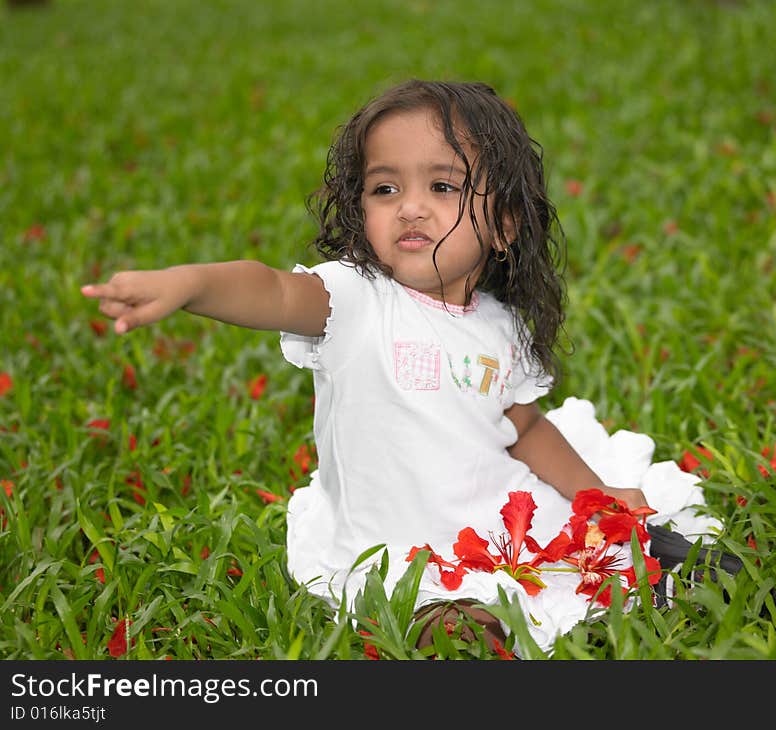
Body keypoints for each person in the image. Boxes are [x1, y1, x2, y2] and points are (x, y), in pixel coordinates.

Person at [82, 79, 724, 656]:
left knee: (601, 548)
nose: (410, 207)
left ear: (502, 224)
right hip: (392, 535)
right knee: (450, 624)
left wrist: (593, 494)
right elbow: (273, 291)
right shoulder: (358, 299)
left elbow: (525, 429)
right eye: (385, 188)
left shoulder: (499, 326)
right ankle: (458, 618)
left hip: (486, 510)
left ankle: (643, 575)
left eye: (441, 187)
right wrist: (191, 283)